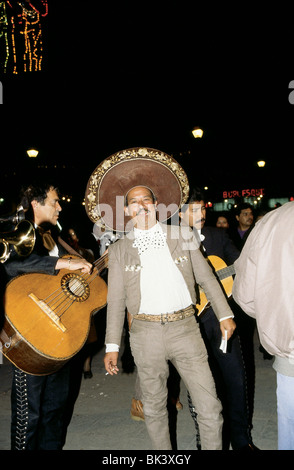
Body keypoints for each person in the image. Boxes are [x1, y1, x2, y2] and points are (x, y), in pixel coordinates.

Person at [85, 147, 236, 450]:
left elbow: (206, 277)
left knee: (211, 408)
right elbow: (115, 301)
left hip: (186, 330)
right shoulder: (118, 250)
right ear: (126, 210)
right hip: (145, 334)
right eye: (133, 202)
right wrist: (112, 346)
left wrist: (224, 314)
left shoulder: (182, 234)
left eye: (145, 199)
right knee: (154, 409)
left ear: (155, 205)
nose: (140, 205)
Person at [2, 181, 92, 450]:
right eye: (54, 201)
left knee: (55, 409)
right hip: (28, 333)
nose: (60, 206)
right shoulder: (15, 231)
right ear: (36, 204)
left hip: (57, 331)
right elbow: (11, 266)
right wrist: (61, 262)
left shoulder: (53, 235)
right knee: (29, 414)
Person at [179, 187, 258, 450]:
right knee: (201, 387)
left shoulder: (218, 235)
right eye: (194, 209)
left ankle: (242, 440)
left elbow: (238, 263)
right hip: (190, 322)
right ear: (179, 213)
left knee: (236, 380)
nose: (201, 213)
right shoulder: (171, 240)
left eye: (203, 208)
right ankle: (209, 442)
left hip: (223, 317)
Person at [232, 201, 294, 450]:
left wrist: (274, 316)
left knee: (290, 422)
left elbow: (245, 295)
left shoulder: (270, 222)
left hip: (289, 349)